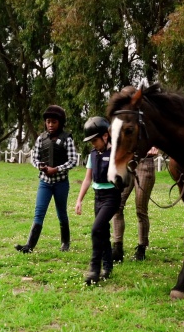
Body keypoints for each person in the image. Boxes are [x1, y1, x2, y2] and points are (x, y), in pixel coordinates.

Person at [15, 105, 78, 253]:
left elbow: (73, 160)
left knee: (61, 212)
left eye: (54, 122)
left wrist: (57, 169)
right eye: (48, 122)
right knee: (39, 212)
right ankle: (29, 246)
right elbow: (34, 157)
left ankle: (65, 242)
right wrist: (40, 166)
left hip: (61, 183)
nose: (50, 125)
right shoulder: (40, 138)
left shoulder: (67, 139)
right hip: (45, 182)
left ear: (60, 123)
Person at [75, 116, 122, 285]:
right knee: (103, 232)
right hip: (98, 196)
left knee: (96, 229)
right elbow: (87, 179)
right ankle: (108, 267)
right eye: (90, 141)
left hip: (112, 197)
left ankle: (94, 268)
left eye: (94, 140)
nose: (92, 144)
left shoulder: (116, 153)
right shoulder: (92, 155)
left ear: (105, 136)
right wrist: (79, 199)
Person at [112, 146, 158, 261]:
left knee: (141, 210)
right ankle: (117, 247)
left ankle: (141, 249)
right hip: (126, 163)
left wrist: (156, 147)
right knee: (116, 206)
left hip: (145, 162)